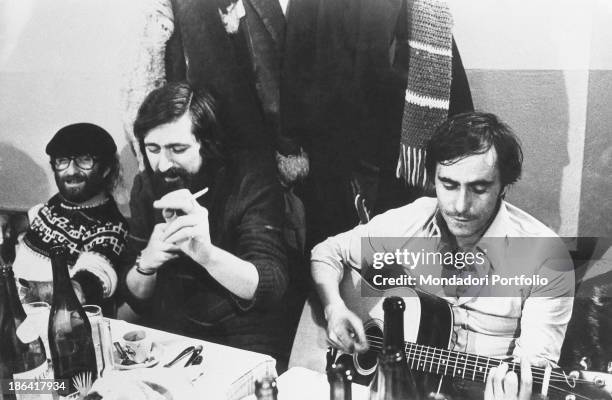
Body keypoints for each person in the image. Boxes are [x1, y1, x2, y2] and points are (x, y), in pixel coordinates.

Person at [122, 0, 474, 255]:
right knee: (342, 263)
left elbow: (450, 93)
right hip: (333, 159)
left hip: (400, 157)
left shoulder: (427, 12)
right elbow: (297, 74)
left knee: (412, 256)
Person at [311, 112, 575, 369]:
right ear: (433, 180)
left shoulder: (546, 257)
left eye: (479, 188)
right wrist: (334, 308)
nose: (460, 206)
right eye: (448, 185)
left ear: (504, 186)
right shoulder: (413, 219)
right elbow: (327, 252)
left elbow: (535, 372)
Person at [121, 82, 292, 368]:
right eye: (153, 148)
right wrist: (146, 265)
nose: (163, 165)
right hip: (172, 332)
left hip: (243, 333)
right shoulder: (146, 186)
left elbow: (271, 285)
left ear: (208, 145)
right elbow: (132, 300)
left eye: (177, 148)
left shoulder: (249, 180)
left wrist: (208, 256)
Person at [12, 123, 128, 306]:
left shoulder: (109, 227)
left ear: (106, 169)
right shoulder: (57, 203)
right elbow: (29, 221)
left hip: (55, 322)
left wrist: (21, 290)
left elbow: (90, 282)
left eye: (85, 160)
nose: (72, 171)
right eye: (62, 160)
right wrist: (7, 222)